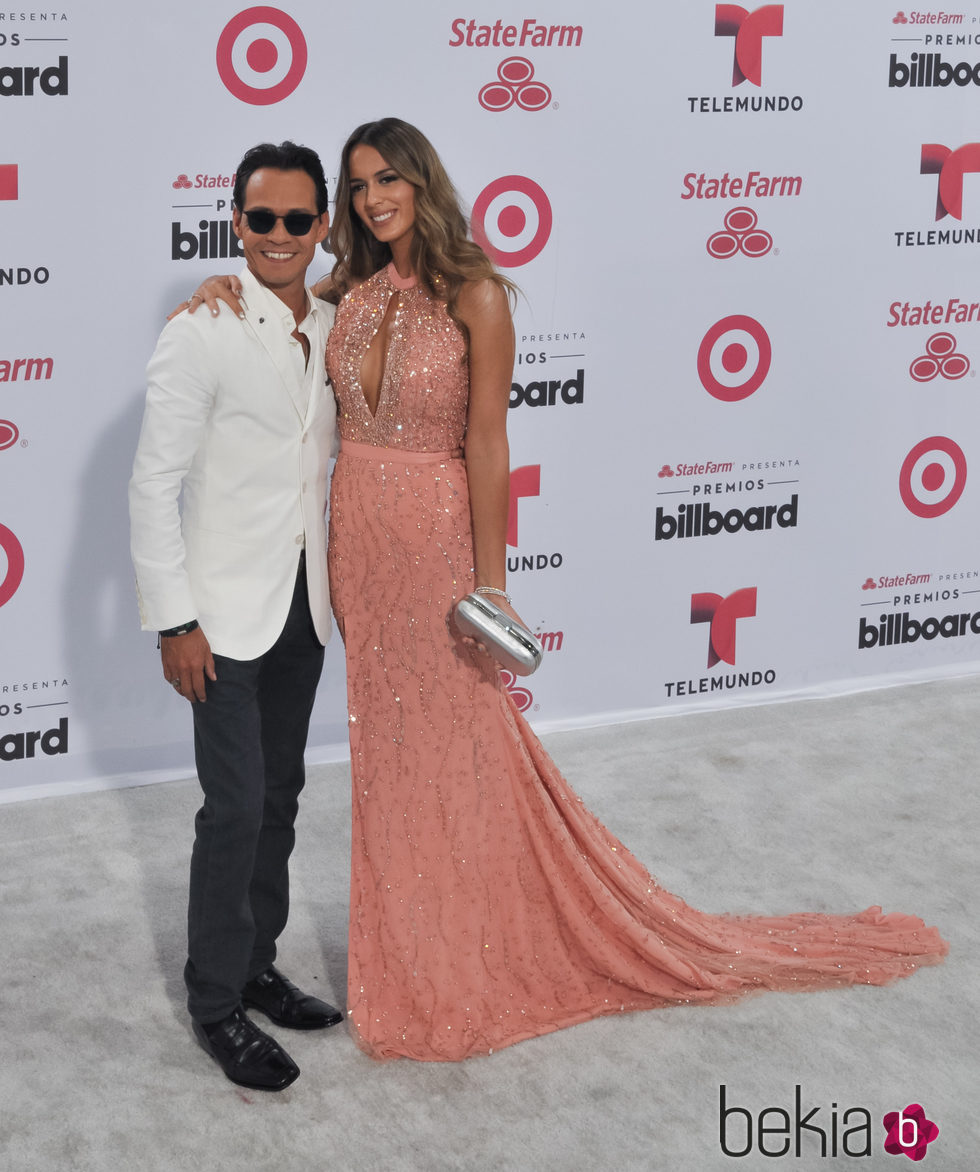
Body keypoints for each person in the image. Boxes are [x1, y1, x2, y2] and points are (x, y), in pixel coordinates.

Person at [185, 119, 947, 1063]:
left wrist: (493, 583)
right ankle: (412, 953)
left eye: (389, 177)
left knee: (459, 749)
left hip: (432, 541)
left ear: (422, 182)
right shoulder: (345, 290)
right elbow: (278, 318)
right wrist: (221, 286)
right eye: (358, 184)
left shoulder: (478, 295)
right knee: (389, 762)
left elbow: (489, 444)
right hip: (354, 551)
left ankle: (458, 959)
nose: (374, 196)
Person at [129, 141, 344, 1091]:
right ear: (237, 224)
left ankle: (257, 964)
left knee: (282, 798)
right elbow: (152, 486)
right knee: (236, 808)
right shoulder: (199, 329)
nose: (281, 236)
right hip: (217, 616)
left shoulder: (340, 323)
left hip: (305, 607)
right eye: (263, 219)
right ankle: (216, 1004)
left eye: (300, 220)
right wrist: (174, 621)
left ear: (323, 226)